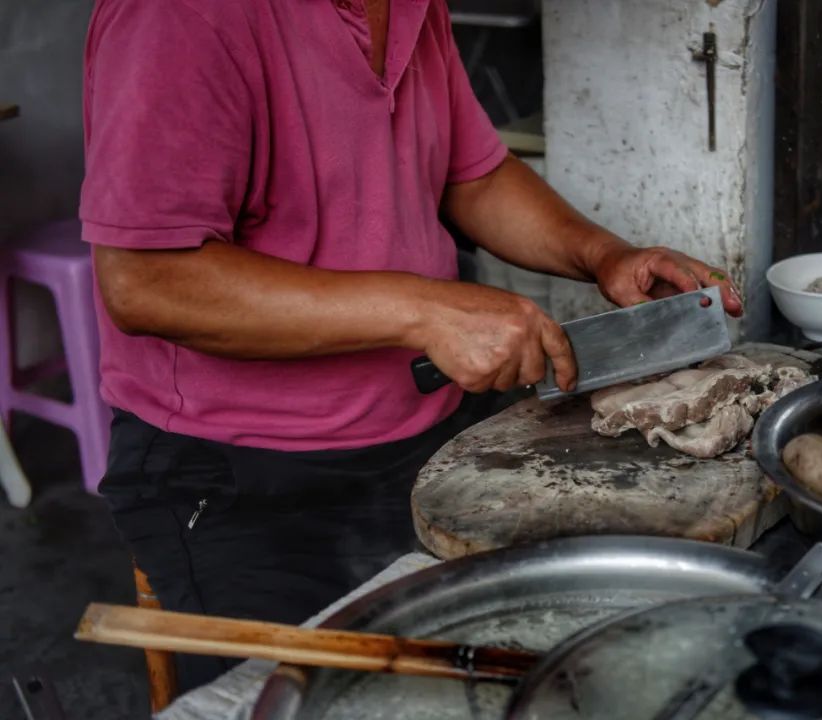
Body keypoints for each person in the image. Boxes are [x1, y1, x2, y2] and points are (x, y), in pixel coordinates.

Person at [80, 0, 742, 690]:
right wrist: (426, 312)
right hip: (242, 480)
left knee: (493, 678)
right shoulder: (176, 15)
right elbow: (147, 282)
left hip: (420, 440)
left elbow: (472, 173)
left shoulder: (411, 7)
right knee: (303, 700)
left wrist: (602, 255)